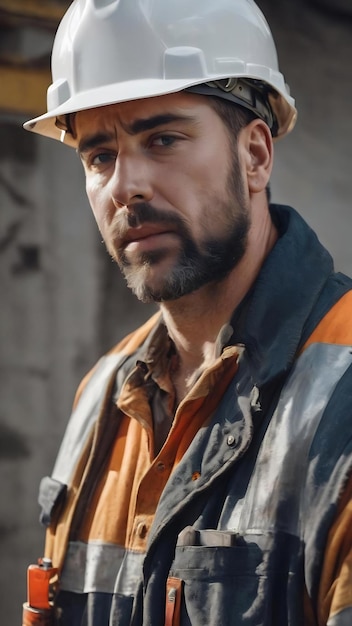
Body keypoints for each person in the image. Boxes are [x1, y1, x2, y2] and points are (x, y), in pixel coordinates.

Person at [23, 0, 352, 624]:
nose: (126, 186)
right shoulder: (103, 395)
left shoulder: (343, 396)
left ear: (255, 155)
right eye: (99, 156)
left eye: (163, 139)